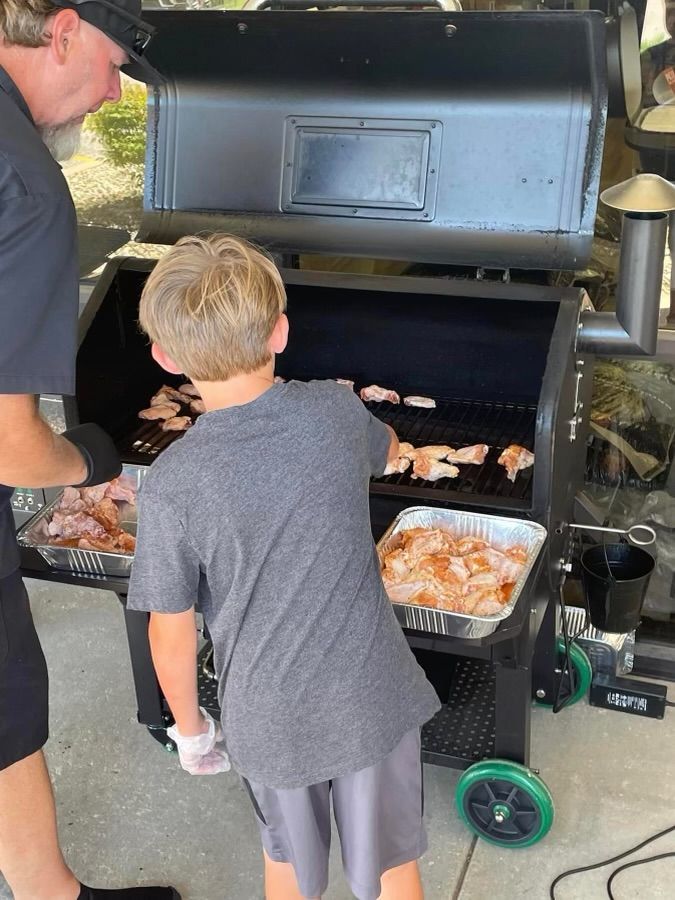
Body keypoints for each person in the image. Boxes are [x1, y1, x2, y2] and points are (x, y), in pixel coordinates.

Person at [127, 233, 442, 900]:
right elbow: (385, 449)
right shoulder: (332, 412)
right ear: (280, 332)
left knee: (289, 871)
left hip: (268, 717)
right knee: (388, 867)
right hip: (369, 696)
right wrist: (384, 441)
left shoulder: (173, 481)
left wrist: (190, 730)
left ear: (165, 354)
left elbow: (169, 629)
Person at [0, 2, 179, 898]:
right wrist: (96, 459)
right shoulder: (25, 186)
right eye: (113, 65)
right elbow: (13, 450)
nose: (113, 93)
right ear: (62, 30)